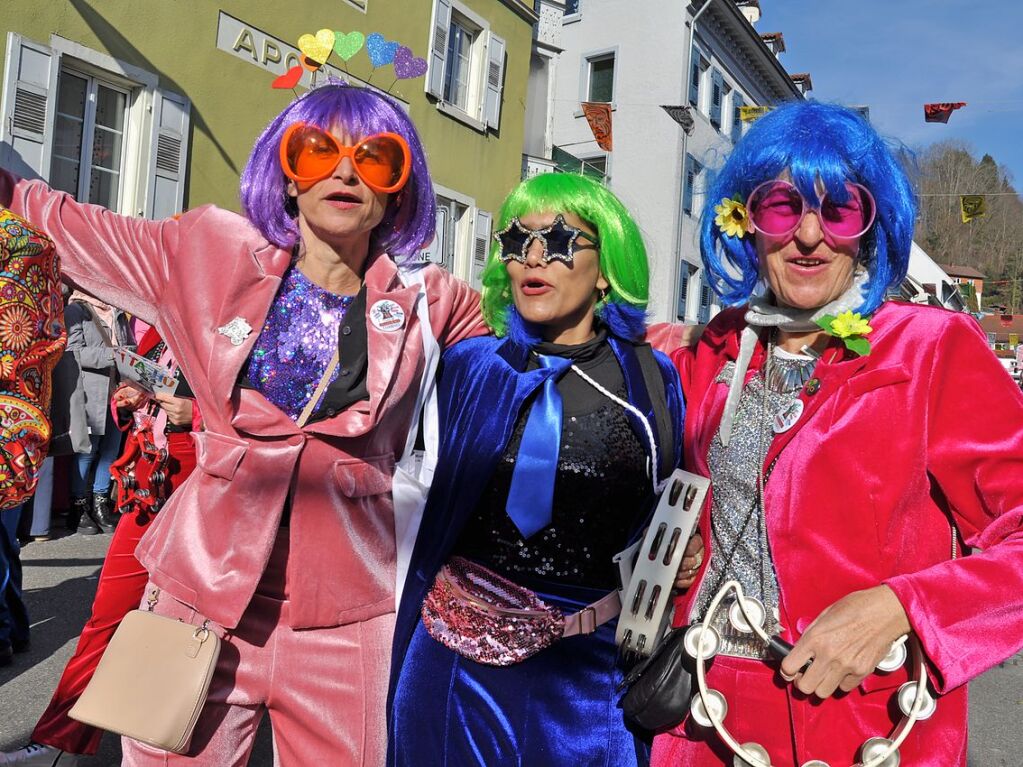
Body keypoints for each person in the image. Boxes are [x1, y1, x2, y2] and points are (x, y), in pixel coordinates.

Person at [0, 81, 484, 765]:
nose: (344, 170)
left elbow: (521, 388)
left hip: (348, 621)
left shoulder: (434, 304)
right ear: (285, 178)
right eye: (315, 150)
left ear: (397, 191)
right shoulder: (204, 252)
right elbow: (56, 219)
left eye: (375, 157)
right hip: (199, 600)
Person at [650, 101, 1023, 767]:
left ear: (869, 225)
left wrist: (903, 606)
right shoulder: (711, 348)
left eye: (839, 208)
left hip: (869, 726)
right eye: (782, 206)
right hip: (704, 720)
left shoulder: (930, 347)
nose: (809, 235)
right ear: (745, 220)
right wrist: (674, 552)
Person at [389, 173, 700, 766]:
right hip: (456, 672)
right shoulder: (469, 367)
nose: (533, 258)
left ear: (606, 266)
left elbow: (671, 503)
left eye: (558, 241)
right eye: (516, 242)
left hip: (589, 681)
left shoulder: (653, 379)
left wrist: (677, 554)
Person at [1, 328, 198, 767]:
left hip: (209, 499)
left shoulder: (255, 320)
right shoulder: (162, 326)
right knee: (107, 617)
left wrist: (197, 414)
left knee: (202, 633)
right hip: (147, 491)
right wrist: (131, 399)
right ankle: (60, 744)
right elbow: (136, 392)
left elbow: (279, 416)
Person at [0, 207, 65, 665]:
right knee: (4, 538)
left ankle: (5, 631)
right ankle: (13, 626)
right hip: (22, 423)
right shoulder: (38, 253)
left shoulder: (23, 249)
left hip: (12, 421)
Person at [63, 292, 133, 534]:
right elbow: (72, 352)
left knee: (111, 450)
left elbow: (130, 345)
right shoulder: (77, 310)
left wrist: (130, 355)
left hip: (118, 392)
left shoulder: (118, 310)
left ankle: (100, 502)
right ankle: (78, 507)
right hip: (90, 392)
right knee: (87, 451)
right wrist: (112, 355)